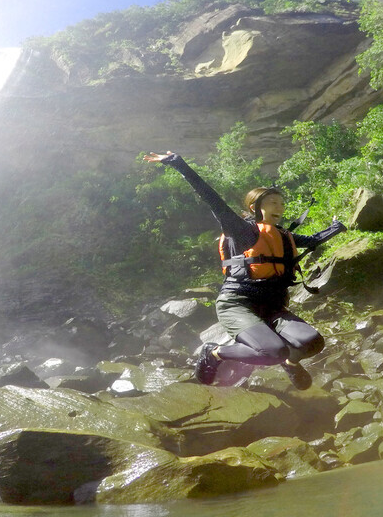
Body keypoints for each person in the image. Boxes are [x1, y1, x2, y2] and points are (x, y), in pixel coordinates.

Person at [142, 151, 346, 390]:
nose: (279, 207)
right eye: (272, 202)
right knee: (272, 352)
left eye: (281, 203)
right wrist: (178, 164)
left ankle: (290, 362)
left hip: (272, 307)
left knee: (312, 342)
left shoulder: (281, 234)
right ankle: (215, 353)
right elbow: (212, 199)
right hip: (237, 303)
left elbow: (312, 240)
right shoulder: (241, 231)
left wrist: (336, 227)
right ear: (254, 207)